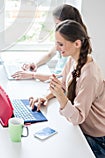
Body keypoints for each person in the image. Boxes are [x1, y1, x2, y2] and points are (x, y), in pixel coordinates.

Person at [29, 20, 105, 158]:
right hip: (80, 128)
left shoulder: (90, 76)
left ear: (77, 44)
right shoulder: (72, 60)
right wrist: (45, 97)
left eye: (61, 44)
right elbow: (63, 85)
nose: (57, 48)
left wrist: (61, 96)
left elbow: (78, 117)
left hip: (96, 137)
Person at [11, 4, 87, 81]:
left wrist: (33, 75)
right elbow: (49, 54)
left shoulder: (72, 48)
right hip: (56, 81)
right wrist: (35, 64)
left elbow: (62, 77)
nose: (56, 28)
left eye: (58, 24)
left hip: (60, 83)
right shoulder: (63, 41)